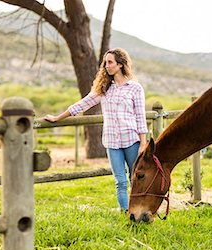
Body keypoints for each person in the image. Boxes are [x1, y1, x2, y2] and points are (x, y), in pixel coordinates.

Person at [44, 48, 148, 212]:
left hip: (131, 140)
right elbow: (81, 104)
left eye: (110, 62)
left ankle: (139, 210)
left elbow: (140, 116)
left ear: (120, 64)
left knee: (134, 178)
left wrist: (143, 143)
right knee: (120, 181)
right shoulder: (104, 88)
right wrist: (58, 117)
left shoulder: (135, 88)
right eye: (105, 63)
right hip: (112, 142)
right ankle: (125, 213)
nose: (106, 66)